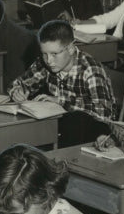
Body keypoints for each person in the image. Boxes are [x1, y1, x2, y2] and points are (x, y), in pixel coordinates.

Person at [9, 19, 116, 147]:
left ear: (70, 49)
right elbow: (18, 83)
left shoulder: (90, 69)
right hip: (62, 127)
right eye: (44, 54)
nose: (49, 60)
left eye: (54, 54)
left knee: (76, 120)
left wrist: (60, 100)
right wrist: (17, 91)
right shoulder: (46, 63)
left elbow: (104, 112)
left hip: (93, 132)